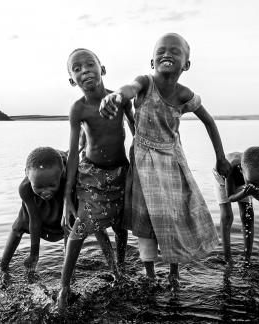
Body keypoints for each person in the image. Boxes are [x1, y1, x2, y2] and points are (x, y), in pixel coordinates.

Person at [99, 33, 231, 289]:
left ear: (186, 65)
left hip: (172, 161)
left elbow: (209, 121)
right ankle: (149, 275)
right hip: (144, 162)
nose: (167, 54)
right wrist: (116, 96)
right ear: (152, 61)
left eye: (175, 51)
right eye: (161, 50)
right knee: (145, 218)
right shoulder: (145, 83)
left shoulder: (184, 94)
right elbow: (129, 89)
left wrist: (221, 157)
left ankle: (174, 273)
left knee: (175, 216)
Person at [58, 48, 135, 310]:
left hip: (121, 172)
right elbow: (72, 155)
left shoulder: (119, 99)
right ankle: (64, 288)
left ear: (102, 69)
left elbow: (136, 131)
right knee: (80, 227)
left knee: (120, 226)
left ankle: (119, 270)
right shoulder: (78, 108)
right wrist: (68, 196)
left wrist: (144, 166)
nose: (85, 71)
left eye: (90, 64)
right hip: (92, 175)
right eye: (77, 69)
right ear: (72, 80)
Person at [0, 147, 68, 287]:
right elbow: (34, 221)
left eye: (51, 186)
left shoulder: (68, 181)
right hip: (36, 196)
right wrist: (34, 254)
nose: (46, 191)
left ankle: (68, 273)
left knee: (70, 224)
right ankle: (3, 269)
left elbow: (69, 228)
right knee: (19, 226)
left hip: (64, 191)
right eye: (39, 187)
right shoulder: (25, 188)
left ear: (62, 174)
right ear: (27, 175)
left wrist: (67, 267)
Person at [213, 147, 259, 263]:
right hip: (222, 176)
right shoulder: (231, 169)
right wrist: (245, 192)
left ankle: (247, 258)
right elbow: (230, 197)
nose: (258, 185)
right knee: (227, 216)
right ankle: (228, 258)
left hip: (246, 181)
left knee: (248, 215)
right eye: (254, 183)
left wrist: (255, 192)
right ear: (242, 170)